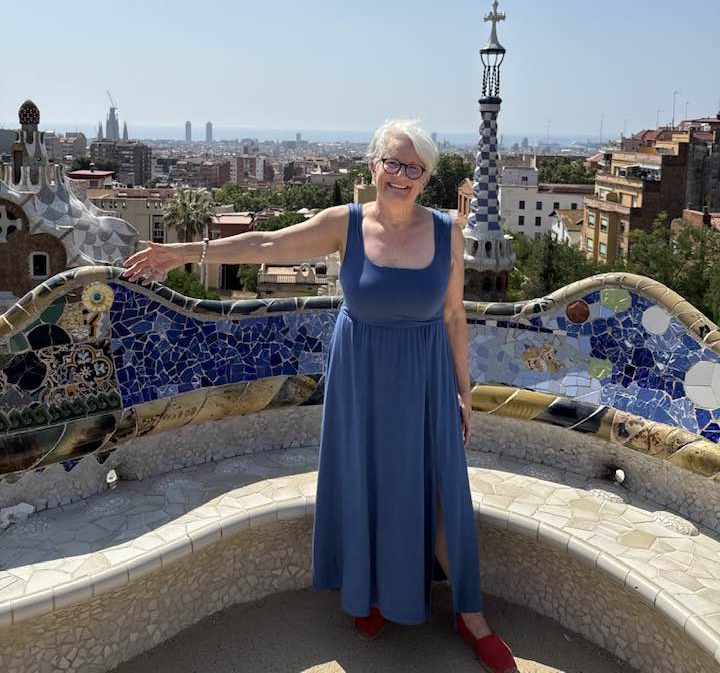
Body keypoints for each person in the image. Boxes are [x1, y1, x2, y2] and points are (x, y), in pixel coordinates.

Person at [121, 119, 518, 672]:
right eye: (392, 162)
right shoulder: (345, 224)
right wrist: (185, 252)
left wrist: (463, 389)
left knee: (439, 489)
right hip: (360, 374)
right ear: (373, 165)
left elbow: (454, 314)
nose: (401, 175)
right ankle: (370, 593)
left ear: (427, 177)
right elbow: (267, 243)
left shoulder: (447, 230)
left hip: (425, 377)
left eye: (415, 167)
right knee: (366, 480)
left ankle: (470, 616)